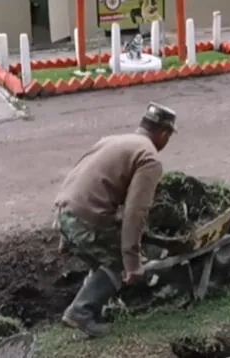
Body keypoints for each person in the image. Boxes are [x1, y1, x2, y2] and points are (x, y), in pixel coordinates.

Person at [53, 102, 176, 337]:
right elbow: (135, 212)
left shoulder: (112, 140)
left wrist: (64, 231)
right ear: (163, 134)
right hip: (84, 220)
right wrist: (132, 263)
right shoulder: (149, 158)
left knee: (106, 252)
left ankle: (94, 305)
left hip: (64, 212)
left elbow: (78, 174)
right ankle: (81, 312)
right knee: (118, 259)